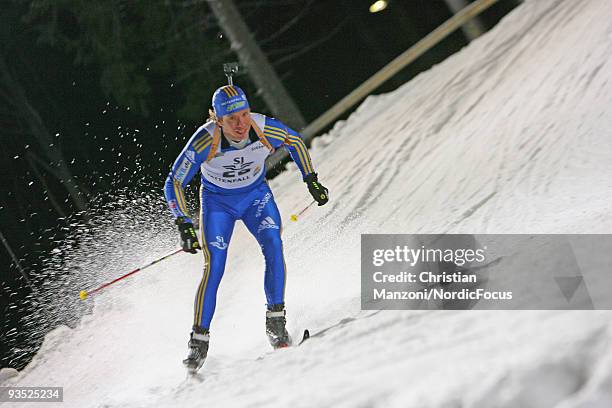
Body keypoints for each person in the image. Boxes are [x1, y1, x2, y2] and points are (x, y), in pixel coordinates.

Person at [164, 84, 329, 372]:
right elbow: (174, 182)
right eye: (231, 119)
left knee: (274, 246)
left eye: (243, 115)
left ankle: (276, 324)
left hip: (255, 197)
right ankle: (198, 341)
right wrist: (184, 223)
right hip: (218, 204)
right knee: (214, 266)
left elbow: (295, 142)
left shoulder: (264, 128)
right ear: (218, 120)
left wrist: (311, 179)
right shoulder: (205, 140)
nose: (240, 125)